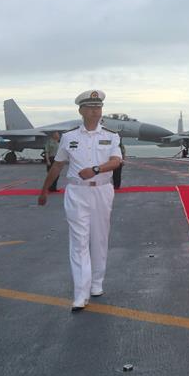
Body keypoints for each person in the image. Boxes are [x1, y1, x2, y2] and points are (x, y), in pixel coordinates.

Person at [38, 90, 123, 311]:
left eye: (99, 107)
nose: (96, 111)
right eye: (91, 107)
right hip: (77, 193)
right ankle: (80, 291)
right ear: (81, 110)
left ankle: (96, 282)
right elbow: (57, 165)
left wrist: (96, 169)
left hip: (102, 191)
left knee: (99, 238)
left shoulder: (112, 136)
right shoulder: (69, 137)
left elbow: (116, 161)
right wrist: (45, 189)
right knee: (79, 241)